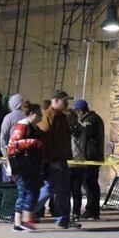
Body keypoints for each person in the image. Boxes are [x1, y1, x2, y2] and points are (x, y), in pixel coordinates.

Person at [38, 91, 78, 228]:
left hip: (61, 159)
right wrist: (50, 158)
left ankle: (63, 219)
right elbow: (44, 138)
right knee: (50, 188)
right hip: (54, 160)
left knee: (63, 190)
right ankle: (27, 211)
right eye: (64, 100)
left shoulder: (61, 116)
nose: (67, 103)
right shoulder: (49, 116)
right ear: (55, 100)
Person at [6, 101, 45, 232]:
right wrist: (33, 142)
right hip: (22, 167)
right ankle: (23, 222)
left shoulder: (32, 127)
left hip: (29, 167)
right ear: (33, 114)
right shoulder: (22, 126)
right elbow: (13, 144)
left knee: (26, 193)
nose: (41, 116)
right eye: (40, 114)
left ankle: (20, 223)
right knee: (28, 193)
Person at [70, 99, 105, 220]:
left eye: (76, 112)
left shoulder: (89, 121)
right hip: (93, 156)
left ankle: (92, 210)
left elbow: (84, 135)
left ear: (80, 111)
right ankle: (93, 210)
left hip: (91, 156)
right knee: (90, 183)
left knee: (90, 183)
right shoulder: (94, 118)